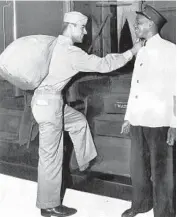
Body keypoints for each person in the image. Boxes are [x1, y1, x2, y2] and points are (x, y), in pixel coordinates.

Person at [31, 11, 141, 217]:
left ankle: (85, 161)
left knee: (78, 121)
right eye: (82, 28)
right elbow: (103, 65)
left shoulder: (54, 44)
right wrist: (131, 52)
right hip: (50, 104)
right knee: (51, 157)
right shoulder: (71, 53)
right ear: (71, 26)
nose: (84, 32)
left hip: (43, 101)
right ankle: (48, 206)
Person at [121, 4, 176, 217]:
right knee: (138, 169)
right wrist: (128, 117)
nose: (136, 26)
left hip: (159, 121)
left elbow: (176, 88)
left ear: (151, 24)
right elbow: (135, 86)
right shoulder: (141, 50)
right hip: (138, 120)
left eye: (139, 23)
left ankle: (164, 212)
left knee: (162, 172)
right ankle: (141, 204)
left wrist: (175, 123)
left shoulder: (170, 50)